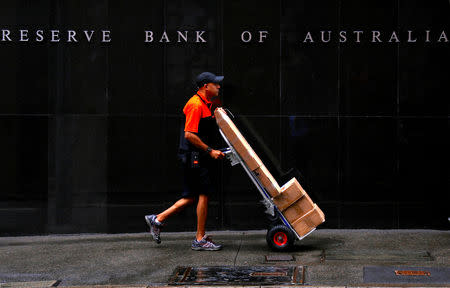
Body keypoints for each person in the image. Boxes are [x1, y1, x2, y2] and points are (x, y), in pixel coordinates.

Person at [145, 72, 225, 251]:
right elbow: (189, 134)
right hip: (194, 158)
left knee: (190, 197)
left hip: (196, 157)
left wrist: (218, 115)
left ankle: (157, 220)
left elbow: (204, 126)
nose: (219, 86)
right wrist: (210, 151)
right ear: (206, 86)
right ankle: (199, 239)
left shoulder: (207, 103)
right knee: (203, 194)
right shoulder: (195, 105)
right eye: (216, 84)